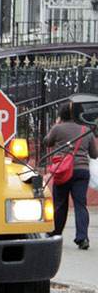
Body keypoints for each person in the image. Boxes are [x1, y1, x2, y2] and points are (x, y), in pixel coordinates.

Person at [43, 103, 98, 250]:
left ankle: (55, 233)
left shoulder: (58, 128)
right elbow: (94, 154)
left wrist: (56, 125)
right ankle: (82, 238)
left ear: (63, 114)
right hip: (81, 171)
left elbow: (47, 142)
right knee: (81, 205)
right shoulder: (86, 130)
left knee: (60, 203)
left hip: (63, 170)